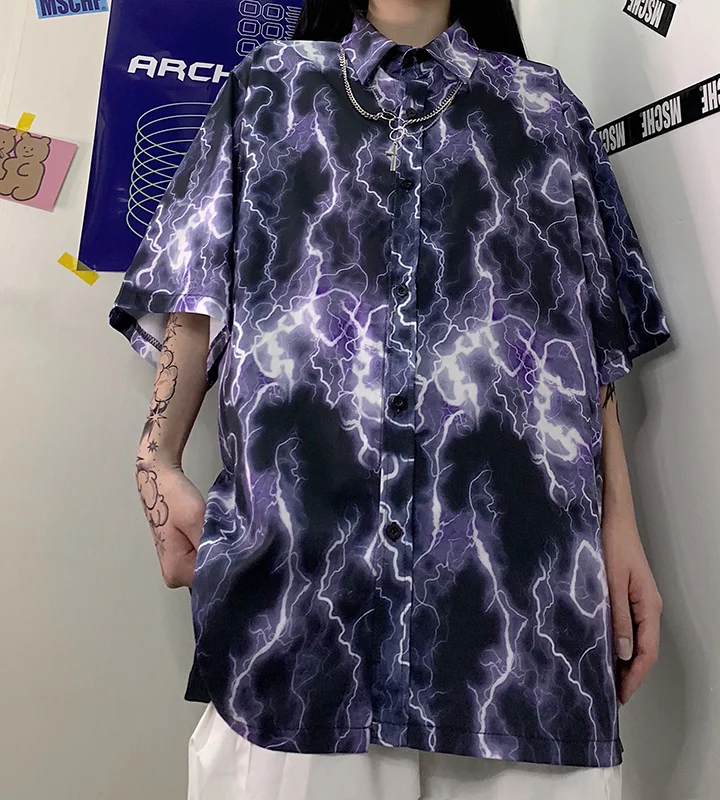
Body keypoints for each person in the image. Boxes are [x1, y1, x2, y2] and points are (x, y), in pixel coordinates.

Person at [110, 0, 671, 797]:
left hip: (519, 623)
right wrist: (155, 458)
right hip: (303, 615)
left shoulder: (544, 108)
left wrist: (621, 525)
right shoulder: (268, 89)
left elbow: (584, 340)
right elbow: (192, 293)